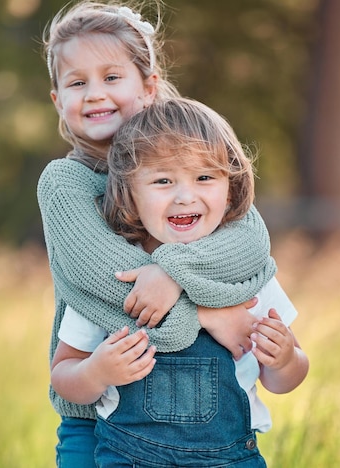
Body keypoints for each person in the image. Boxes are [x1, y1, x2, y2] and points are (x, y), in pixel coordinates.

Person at [38, 2, 281, 467]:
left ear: (148, 87)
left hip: (202, 427)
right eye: (77, 83)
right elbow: (110, 281)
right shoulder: (64, 183)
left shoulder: (185, 160)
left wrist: (172, 271)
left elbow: (250, 239)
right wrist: (209, 313)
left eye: (112, 78)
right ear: (58, 100)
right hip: (95, 404)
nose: (94, 94)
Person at [51, 98, 309, 467]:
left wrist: (284, 359)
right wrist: (96, 372)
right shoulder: (115, 277)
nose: (185, 195)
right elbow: (63, 373)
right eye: (163, 181)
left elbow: (284, 379)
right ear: (129, 195)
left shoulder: (245, 274)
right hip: (129, 459)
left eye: (204, 177)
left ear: (230, 189)